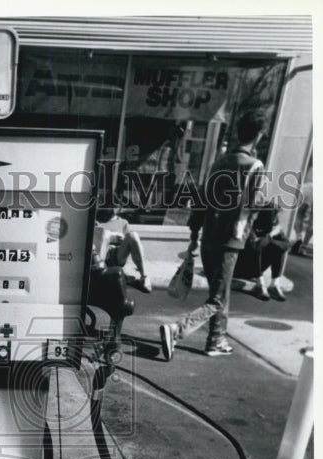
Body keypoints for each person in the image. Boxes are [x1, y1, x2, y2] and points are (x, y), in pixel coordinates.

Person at [159, 109, 269, 360]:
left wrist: (194, 234)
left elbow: (201, 199)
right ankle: (176, 330)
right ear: (259, 135)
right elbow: (254, 203)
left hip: (209, 236)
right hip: (230, 239)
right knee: (218, 298)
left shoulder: (219, 163)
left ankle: (215, 340)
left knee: (220, 292)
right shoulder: (255, 166)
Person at [231, 201, 291, 301]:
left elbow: (287, 245)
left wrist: (269, 238)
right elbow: (255, 247)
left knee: (279, 249)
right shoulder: (251, 225)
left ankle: (274, 284)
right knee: (258, 247)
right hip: (240, 268)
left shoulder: (274, 228)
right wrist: (269, 237)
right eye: (274, 216)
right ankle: (260, 284)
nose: (276, 219)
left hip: (255, 270)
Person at [93, 205, 152, 292]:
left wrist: (122, 239)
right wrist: (111, 237)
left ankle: (144, 277)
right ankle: (100, 272)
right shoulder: (95, 221)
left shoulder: (123, 222)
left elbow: (129, 242)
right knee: (104, 234)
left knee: (133, 235)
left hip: (117, 255)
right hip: (100, 256)